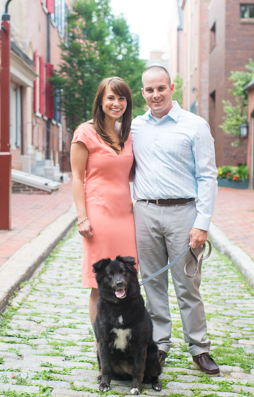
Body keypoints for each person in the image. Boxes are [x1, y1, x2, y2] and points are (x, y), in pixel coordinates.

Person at [131, 65, 219, 375]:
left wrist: (203, 222)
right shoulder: (135, 128)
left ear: (171, 87)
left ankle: (198, 347)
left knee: (187, 285)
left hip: (184, 213)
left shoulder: (195, 126)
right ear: (143, 92)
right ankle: (159, 345)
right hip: (145, 212)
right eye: (149, 90)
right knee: (152, 283)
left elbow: (208, 175)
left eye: (161, 88)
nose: (155, 95)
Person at [71, 77, 137, 330]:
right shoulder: (85, 132)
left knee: (127, 281)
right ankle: (103, 347)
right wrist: (82, 217)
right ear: (100, 100)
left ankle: (125, 342)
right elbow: (77, 177)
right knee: (101, 285)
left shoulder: (127, 133)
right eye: (111, 97)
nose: (116, 103)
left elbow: (130, 173)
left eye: (121, 98)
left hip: (126, 216)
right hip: (99, 216)